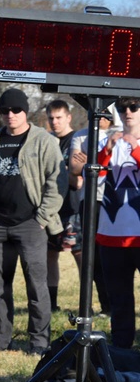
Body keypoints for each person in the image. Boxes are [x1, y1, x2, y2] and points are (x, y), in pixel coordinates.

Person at [0, 88, 63, 354]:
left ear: (26, 111)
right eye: (4, 111)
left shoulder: (43, 141)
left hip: (30, 224)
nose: (10, 115)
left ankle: (38, 342)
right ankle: (1, 339)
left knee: (37, 286)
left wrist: (41, 218)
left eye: (15, 110)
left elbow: (56, 182)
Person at [68, 97, 140, 348]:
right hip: (111, 235)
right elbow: (89, 173)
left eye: (134, 106)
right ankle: (121, 353)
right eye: (122, 108)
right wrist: (107, 150)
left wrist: (136, 149)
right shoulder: (109, 141)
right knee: (119, 301)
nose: (127, 112)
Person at [68, 103, 120, 318]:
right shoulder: (80, 136)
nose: (100, 117)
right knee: (94, 255)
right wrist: (97, 161)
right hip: (89, 200)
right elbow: (74, 167)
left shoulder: (121, 135)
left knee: (116, 255)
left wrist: (90, 162)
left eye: (105, 113)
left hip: (115, 201)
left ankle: (117, 304)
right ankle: (105, 305)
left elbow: (117, 165)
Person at [44, 99, 82, 313]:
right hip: (51, 208)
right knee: (49, 255)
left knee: (79, 255)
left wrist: (58, 171)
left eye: (59, 118)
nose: (54, 122)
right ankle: (51, 302)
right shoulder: (47, 141)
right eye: (51, 118)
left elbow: (78, 181)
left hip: (72, 207)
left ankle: (88, 303)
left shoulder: (77, 141)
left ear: (68, 117)